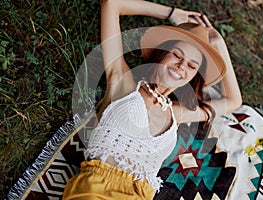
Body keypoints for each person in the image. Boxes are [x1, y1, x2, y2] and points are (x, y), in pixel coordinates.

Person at [63, 0, 242, 199]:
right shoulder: (125, 83)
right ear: (162, 54)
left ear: (193, 78)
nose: (182, 66)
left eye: (192, 66)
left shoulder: (176, 113)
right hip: (97, 190)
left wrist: (217, 44)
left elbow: (234, 101)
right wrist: (171, 13)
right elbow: (112, 4)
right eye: (177, 55)